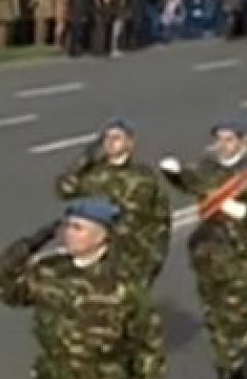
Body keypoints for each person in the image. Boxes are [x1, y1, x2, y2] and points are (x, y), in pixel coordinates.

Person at [0, 199, 166, 379]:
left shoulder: (123, 284)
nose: (68, 233)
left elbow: (147, 343)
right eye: (68, 226)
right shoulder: (50, 272)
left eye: (79, 228)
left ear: (102, 236)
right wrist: (30, 244)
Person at [159, 122, 247, 379]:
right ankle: (229, 367)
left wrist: (243, 211)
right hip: (207, 254)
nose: (223, 144)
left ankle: (228, 375)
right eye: (218, 139)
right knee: (214, 316)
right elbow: (190, 181)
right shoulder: (207, 166)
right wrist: (174, 174)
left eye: (229, 139)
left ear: (242, 141)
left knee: (237, 316)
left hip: (240, 255)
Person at [56, 118, 172, 290]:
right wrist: (84, 159)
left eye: (117, 138)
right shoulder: (93, 173)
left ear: (130, 143)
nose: (110, 143)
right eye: (107, 138)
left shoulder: (144, 177)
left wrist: (155, 260)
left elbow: (161, 221)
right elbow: (64, 189)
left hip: (131, 259)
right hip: (96, 257)